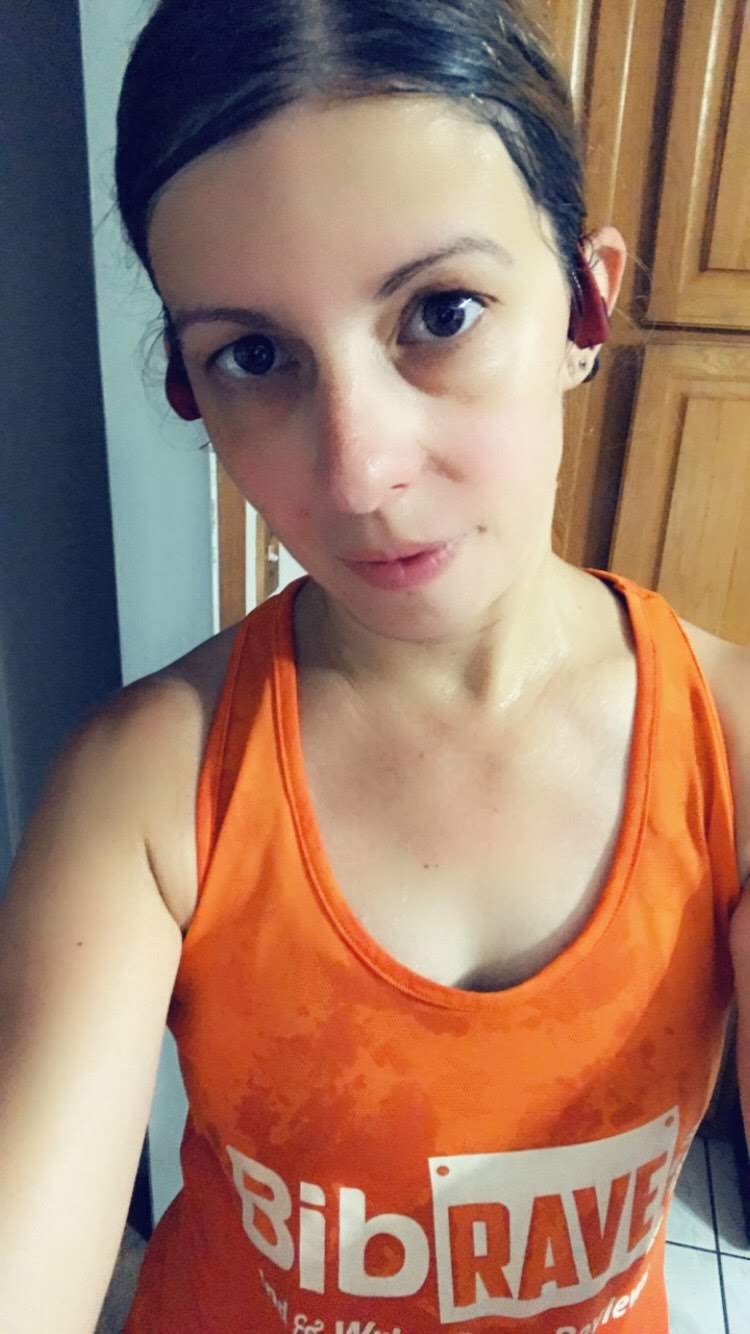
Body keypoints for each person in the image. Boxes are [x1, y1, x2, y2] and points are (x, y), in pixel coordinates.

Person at [1, 2, 748, 1332]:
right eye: (253, 357)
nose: (357, 473)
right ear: (191, 391)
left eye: (440, 312)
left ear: (583, 305)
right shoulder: (144, 791)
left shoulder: (731, 751)